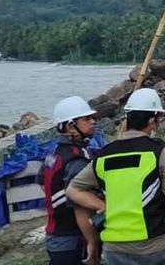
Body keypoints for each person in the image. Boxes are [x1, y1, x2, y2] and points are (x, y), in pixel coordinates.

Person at [65, 88, 165, 265]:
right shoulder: (160, 151)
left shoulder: (103, 155)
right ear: (153, 120)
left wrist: (104, 205)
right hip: (156, 244)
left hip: (114, 249)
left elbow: (73, 189)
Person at [42, 96, 100, 265]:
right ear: (70, 126)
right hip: (72, 239)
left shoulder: (55, 153)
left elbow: (42, 182)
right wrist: (92, 243)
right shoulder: (76, 160)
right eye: (86, 119)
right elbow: (80, 207)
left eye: (93, 118)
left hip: (55, 235)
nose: (93, 122)